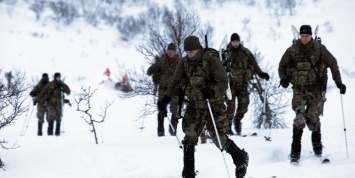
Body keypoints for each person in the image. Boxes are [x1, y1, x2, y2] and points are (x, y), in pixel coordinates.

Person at [158, 36, 249, 178]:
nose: (189, 54)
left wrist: (212, 91)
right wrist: (165, 99)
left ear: (198, 49)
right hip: (195, 103)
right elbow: (174, 81)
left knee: (219, 138)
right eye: (187, 52)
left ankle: (241, 158)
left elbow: (223, 82)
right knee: (190, 135)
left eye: (192, 51)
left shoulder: (211, 60)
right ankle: (188, 171)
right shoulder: (184, 63)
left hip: (212, 103)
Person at [278, 25, 346, 163]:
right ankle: (295, 152)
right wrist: (283, 78)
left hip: (315, 91)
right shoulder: (293, 50)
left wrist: (339, 83)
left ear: (311, 36)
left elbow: (333, 65)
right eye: (302, 36)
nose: (304, 39)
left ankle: (318, 149)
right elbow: (282, 65)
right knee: (299, 119)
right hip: (299, 90)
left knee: (313, 120)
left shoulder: (320, 49)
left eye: (307, 36)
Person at [224, 33, 270, 135]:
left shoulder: (245, 52)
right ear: (231, 42)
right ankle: (227, 127)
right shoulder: (226, 52)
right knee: (230, 107)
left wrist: (261, 74)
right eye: (233, 41)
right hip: (229, 86)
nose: (235, 43)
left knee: (244, 104)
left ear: (239, 41)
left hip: (242, 84)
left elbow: (254, 64)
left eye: (237, 41)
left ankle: (237, 120)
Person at [147, 43, 181, 136]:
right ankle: (160, 131)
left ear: (175, 52)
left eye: (173, 51)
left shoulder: (179, 61)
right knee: (161, 107)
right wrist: (152, 70)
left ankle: (173, 130)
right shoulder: (162, 60)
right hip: (163, 88)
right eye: (169, 51)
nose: (171, 53)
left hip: (174, 88)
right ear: (167, 51)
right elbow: (151, 70)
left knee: (175, 109)